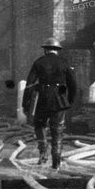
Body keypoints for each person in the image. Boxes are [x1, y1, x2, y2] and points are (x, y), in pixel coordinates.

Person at [23, 37, 77, 169]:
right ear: (58, 50)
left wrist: (26, 103)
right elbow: (73, 85)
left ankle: (43, 155)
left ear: (45, 50)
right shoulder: (64, 63)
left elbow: (29, 84)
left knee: (39, 125)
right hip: (60, 103)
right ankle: (56, 163)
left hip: (43, 101)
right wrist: (69, 101)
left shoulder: (39, 62)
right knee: (57, 131)